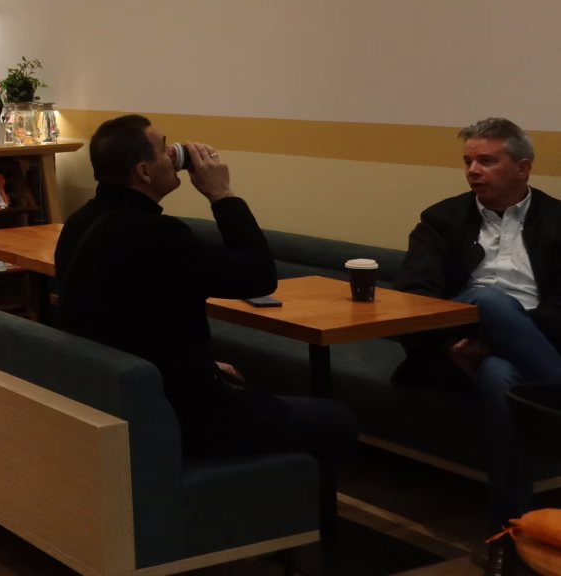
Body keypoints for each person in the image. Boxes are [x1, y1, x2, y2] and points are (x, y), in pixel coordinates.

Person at [55, 114, 356, 468]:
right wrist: (221, 194)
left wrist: (203, 365)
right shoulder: (157, 235)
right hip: (185, 417)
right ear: (144, 172)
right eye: (165, 149)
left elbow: (126, 317)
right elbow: (258, 276)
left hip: (114, 397)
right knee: (337, 419)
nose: (175, 154)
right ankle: (274, 500)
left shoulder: (80, 222)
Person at [393, 117, 561, 524]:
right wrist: (450, 342)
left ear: (523, 168)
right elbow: (414, 297)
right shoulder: (441, 219)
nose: (473, 171)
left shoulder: (558, 220)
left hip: (531, 339)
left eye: (486, 161)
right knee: (489, 299)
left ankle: (515, 526)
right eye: (468, 161)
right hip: (458, 335)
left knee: (499, 374)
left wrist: (498, 341)